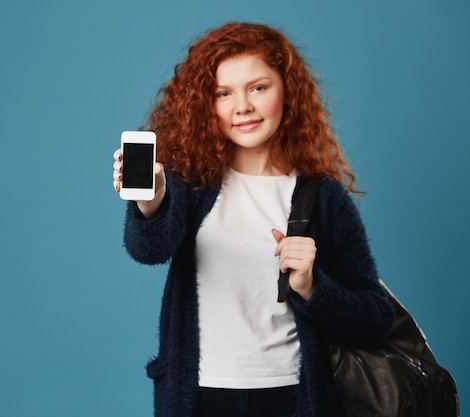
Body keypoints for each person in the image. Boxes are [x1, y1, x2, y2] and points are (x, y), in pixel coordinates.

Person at [111, 22, 394, 417]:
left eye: (258, 88)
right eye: (223, 93)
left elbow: (376, 319)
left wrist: (312, 286)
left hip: (294, 396)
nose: (242, 106)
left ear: (287, 91)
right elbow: (149, 249)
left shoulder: (323, 197)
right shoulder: (189, 185)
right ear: (206, 105)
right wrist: (152, 200)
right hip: (200, 396)